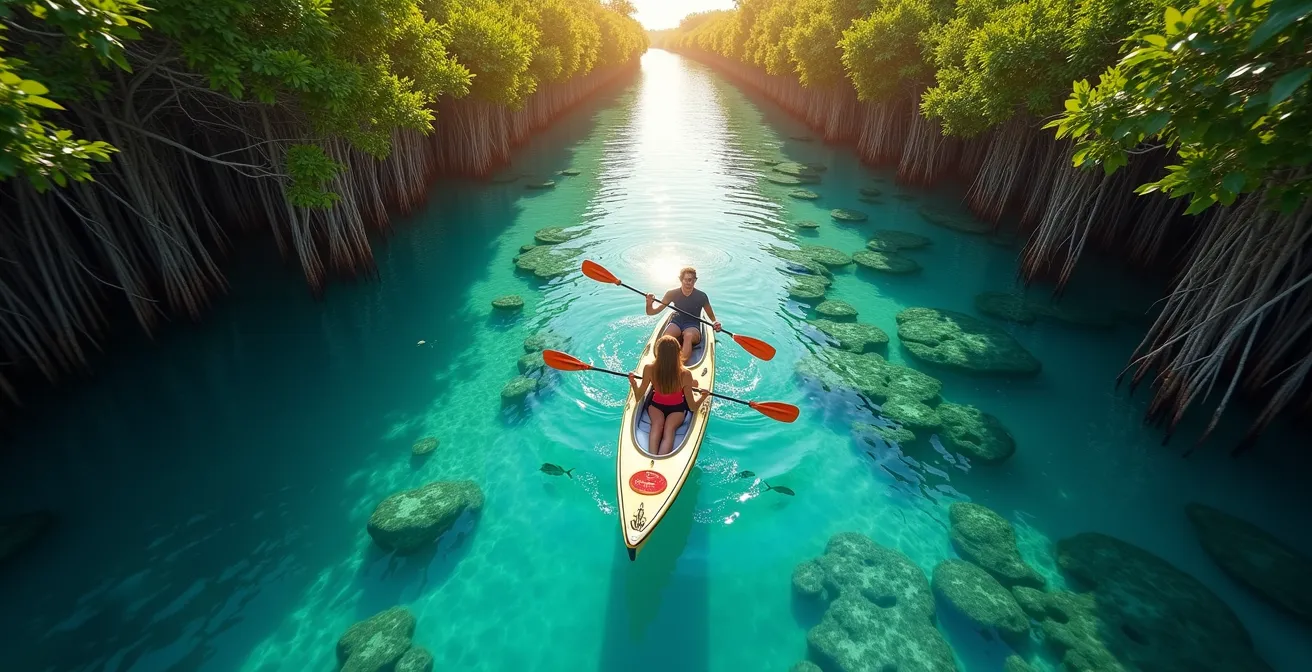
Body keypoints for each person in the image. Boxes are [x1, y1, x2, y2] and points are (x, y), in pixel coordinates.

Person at [628, 335, 708, 456]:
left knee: (656, 426)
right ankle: (661, 458)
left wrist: (633, 383)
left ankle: (652, 456)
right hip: (677, 409)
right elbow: (693, 407)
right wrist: (703, 396)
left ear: (658, 352)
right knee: (669, 430)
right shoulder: (685, 374)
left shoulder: (649, 368)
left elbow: (639, 396)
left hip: (655, 407)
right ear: (678, 353)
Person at [645, 266, 721, 363]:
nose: (689, 283)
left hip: (693, 324)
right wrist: (649, 303)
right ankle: (661, 362)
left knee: (688, 336)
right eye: (686, 280)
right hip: (677, 321)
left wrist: (715, 323)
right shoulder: (671, 293)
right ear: (681, 279)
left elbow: (712, 317)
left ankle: (679, 365)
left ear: (695, 280)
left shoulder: (702, 296)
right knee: (666, 337)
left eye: (691, 280)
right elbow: (651, 312)